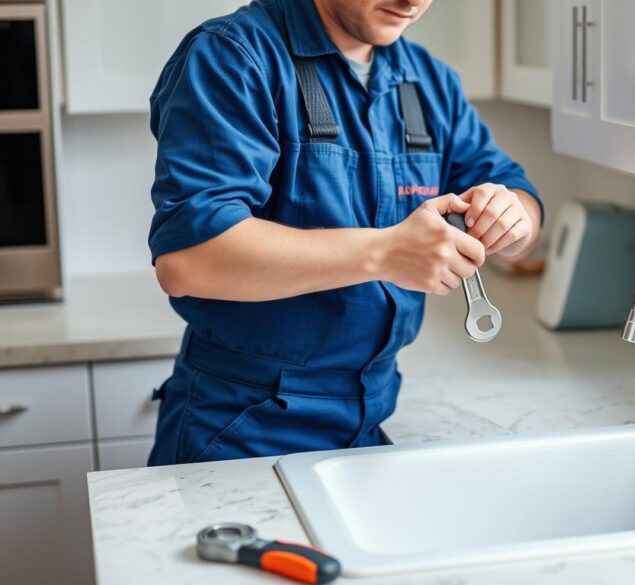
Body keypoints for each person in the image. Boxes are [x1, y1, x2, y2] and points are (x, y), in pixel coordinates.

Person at [146, 0, 542, 465]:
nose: (412, 1)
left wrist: (512, 219)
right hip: (241, 429)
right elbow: (190, 260)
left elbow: (519, 198)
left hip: (367, 421)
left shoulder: (428, 81)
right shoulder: (232, 56)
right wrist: (385, 253)